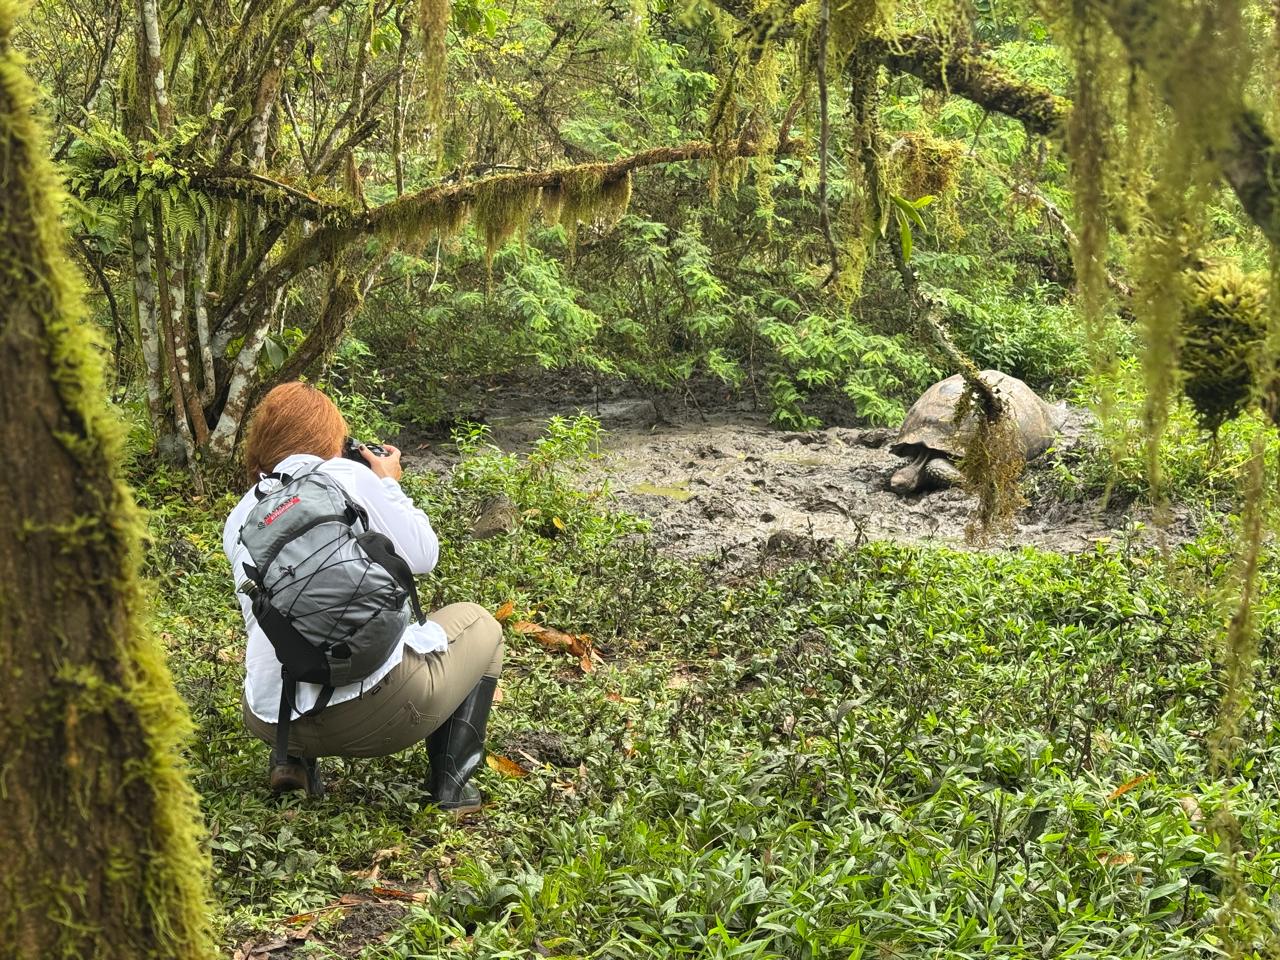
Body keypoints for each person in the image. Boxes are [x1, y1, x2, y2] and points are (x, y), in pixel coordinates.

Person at [222, 382, 502, 812]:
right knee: (482, 624)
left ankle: (292, 762)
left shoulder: (242, 513)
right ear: (332, 438)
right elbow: (425, 555)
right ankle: (453, 787)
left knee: (286, 621)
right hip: (377, 717)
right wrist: (387, 482)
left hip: (268, 718)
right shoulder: (347, 476)